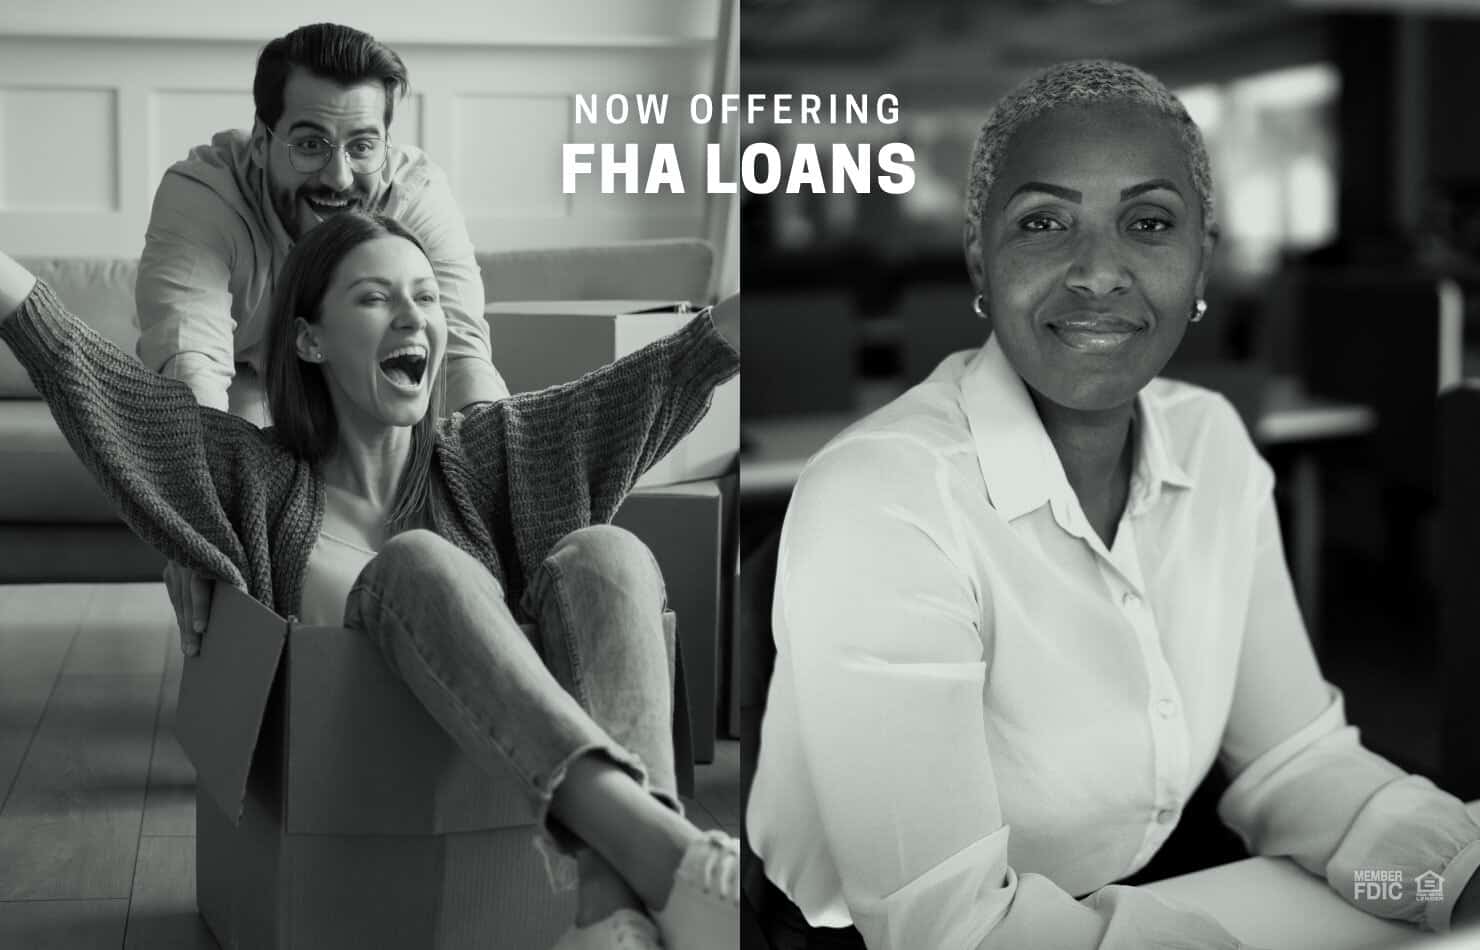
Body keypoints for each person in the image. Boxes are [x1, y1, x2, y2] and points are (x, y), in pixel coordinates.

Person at [745, 60, 1480, 950]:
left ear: (1201, 256)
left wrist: (1450, 878)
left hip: (1130, 891)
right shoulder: (882, 500)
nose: (1098, 272)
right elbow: (951, 926)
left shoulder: (1211, 442)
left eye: (1150, 223)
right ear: (980, 251)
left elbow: (1296, 763)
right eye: (1045, 222)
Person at [0, 212, 739, 950]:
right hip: (353, 796)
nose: (412, 314)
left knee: (607, 551)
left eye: (426, 296)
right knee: (414, 561)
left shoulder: (487, 455)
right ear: (309, 340)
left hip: (490, 782)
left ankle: (613, 916)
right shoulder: (252, 476)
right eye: (375, 298)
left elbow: (675, 367)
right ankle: (669, 860)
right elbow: (86, 368)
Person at [136, 21, 510, 662]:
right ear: (261, 141)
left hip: (342, 374)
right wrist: (196, 531)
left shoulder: (417, 195)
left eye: (362, 146)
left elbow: (466, 357)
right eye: (310, 143)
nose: (339, 175)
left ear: (386, 146)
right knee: (242, 476)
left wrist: (503, 504)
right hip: (244, 373)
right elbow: (192, 365)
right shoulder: (202, 196)